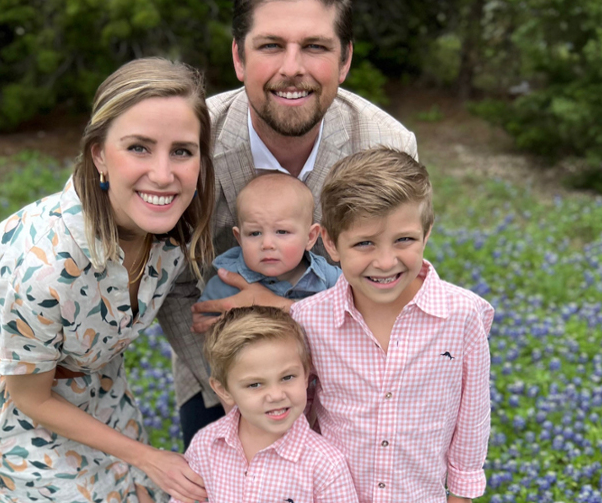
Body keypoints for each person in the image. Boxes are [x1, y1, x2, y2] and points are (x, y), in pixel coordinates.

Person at [153, 0, 419, 449]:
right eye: (271, 45)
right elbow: (172, 285)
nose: (291, 69)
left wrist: (287, 313)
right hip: (221, 366)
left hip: (349, 368)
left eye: (315, 46)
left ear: (344, 60)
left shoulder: (386, 145)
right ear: (238, 57)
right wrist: (237, 382)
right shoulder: (190, 142)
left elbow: (391, 289)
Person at [0, 58, 213, 503]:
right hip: (21, 410)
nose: (164, 174)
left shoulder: (174, 227)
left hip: (100, 385)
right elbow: (31, 398)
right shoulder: (43, 269)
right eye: (139, 148)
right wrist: (148, 456)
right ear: (99, 155)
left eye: (182, 151)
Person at [292, 147, 494, 503]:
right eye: (364, 243)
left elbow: (472, 419)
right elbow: (296, 418)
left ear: (427, 233)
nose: (385, 262)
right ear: (330, 243)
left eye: (404, 240)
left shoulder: (463, 315)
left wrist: (460, 496)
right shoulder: (308, 320)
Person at [171, 306, 359, 503]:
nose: (276, 395)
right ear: (223, 390)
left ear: (306, 375)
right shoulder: (206, 445)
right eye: (255, 384)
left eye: (287, 377)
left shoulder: (325, 464)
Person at [197, 172, 341, 314]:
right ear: (239, 239)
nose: (267, 244)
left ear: (310, 237)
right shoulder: (227, 282)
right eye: (254, 233)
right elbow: (203, 322)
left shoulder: (328, 278)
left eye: (282, 232)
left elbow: (356, 305)